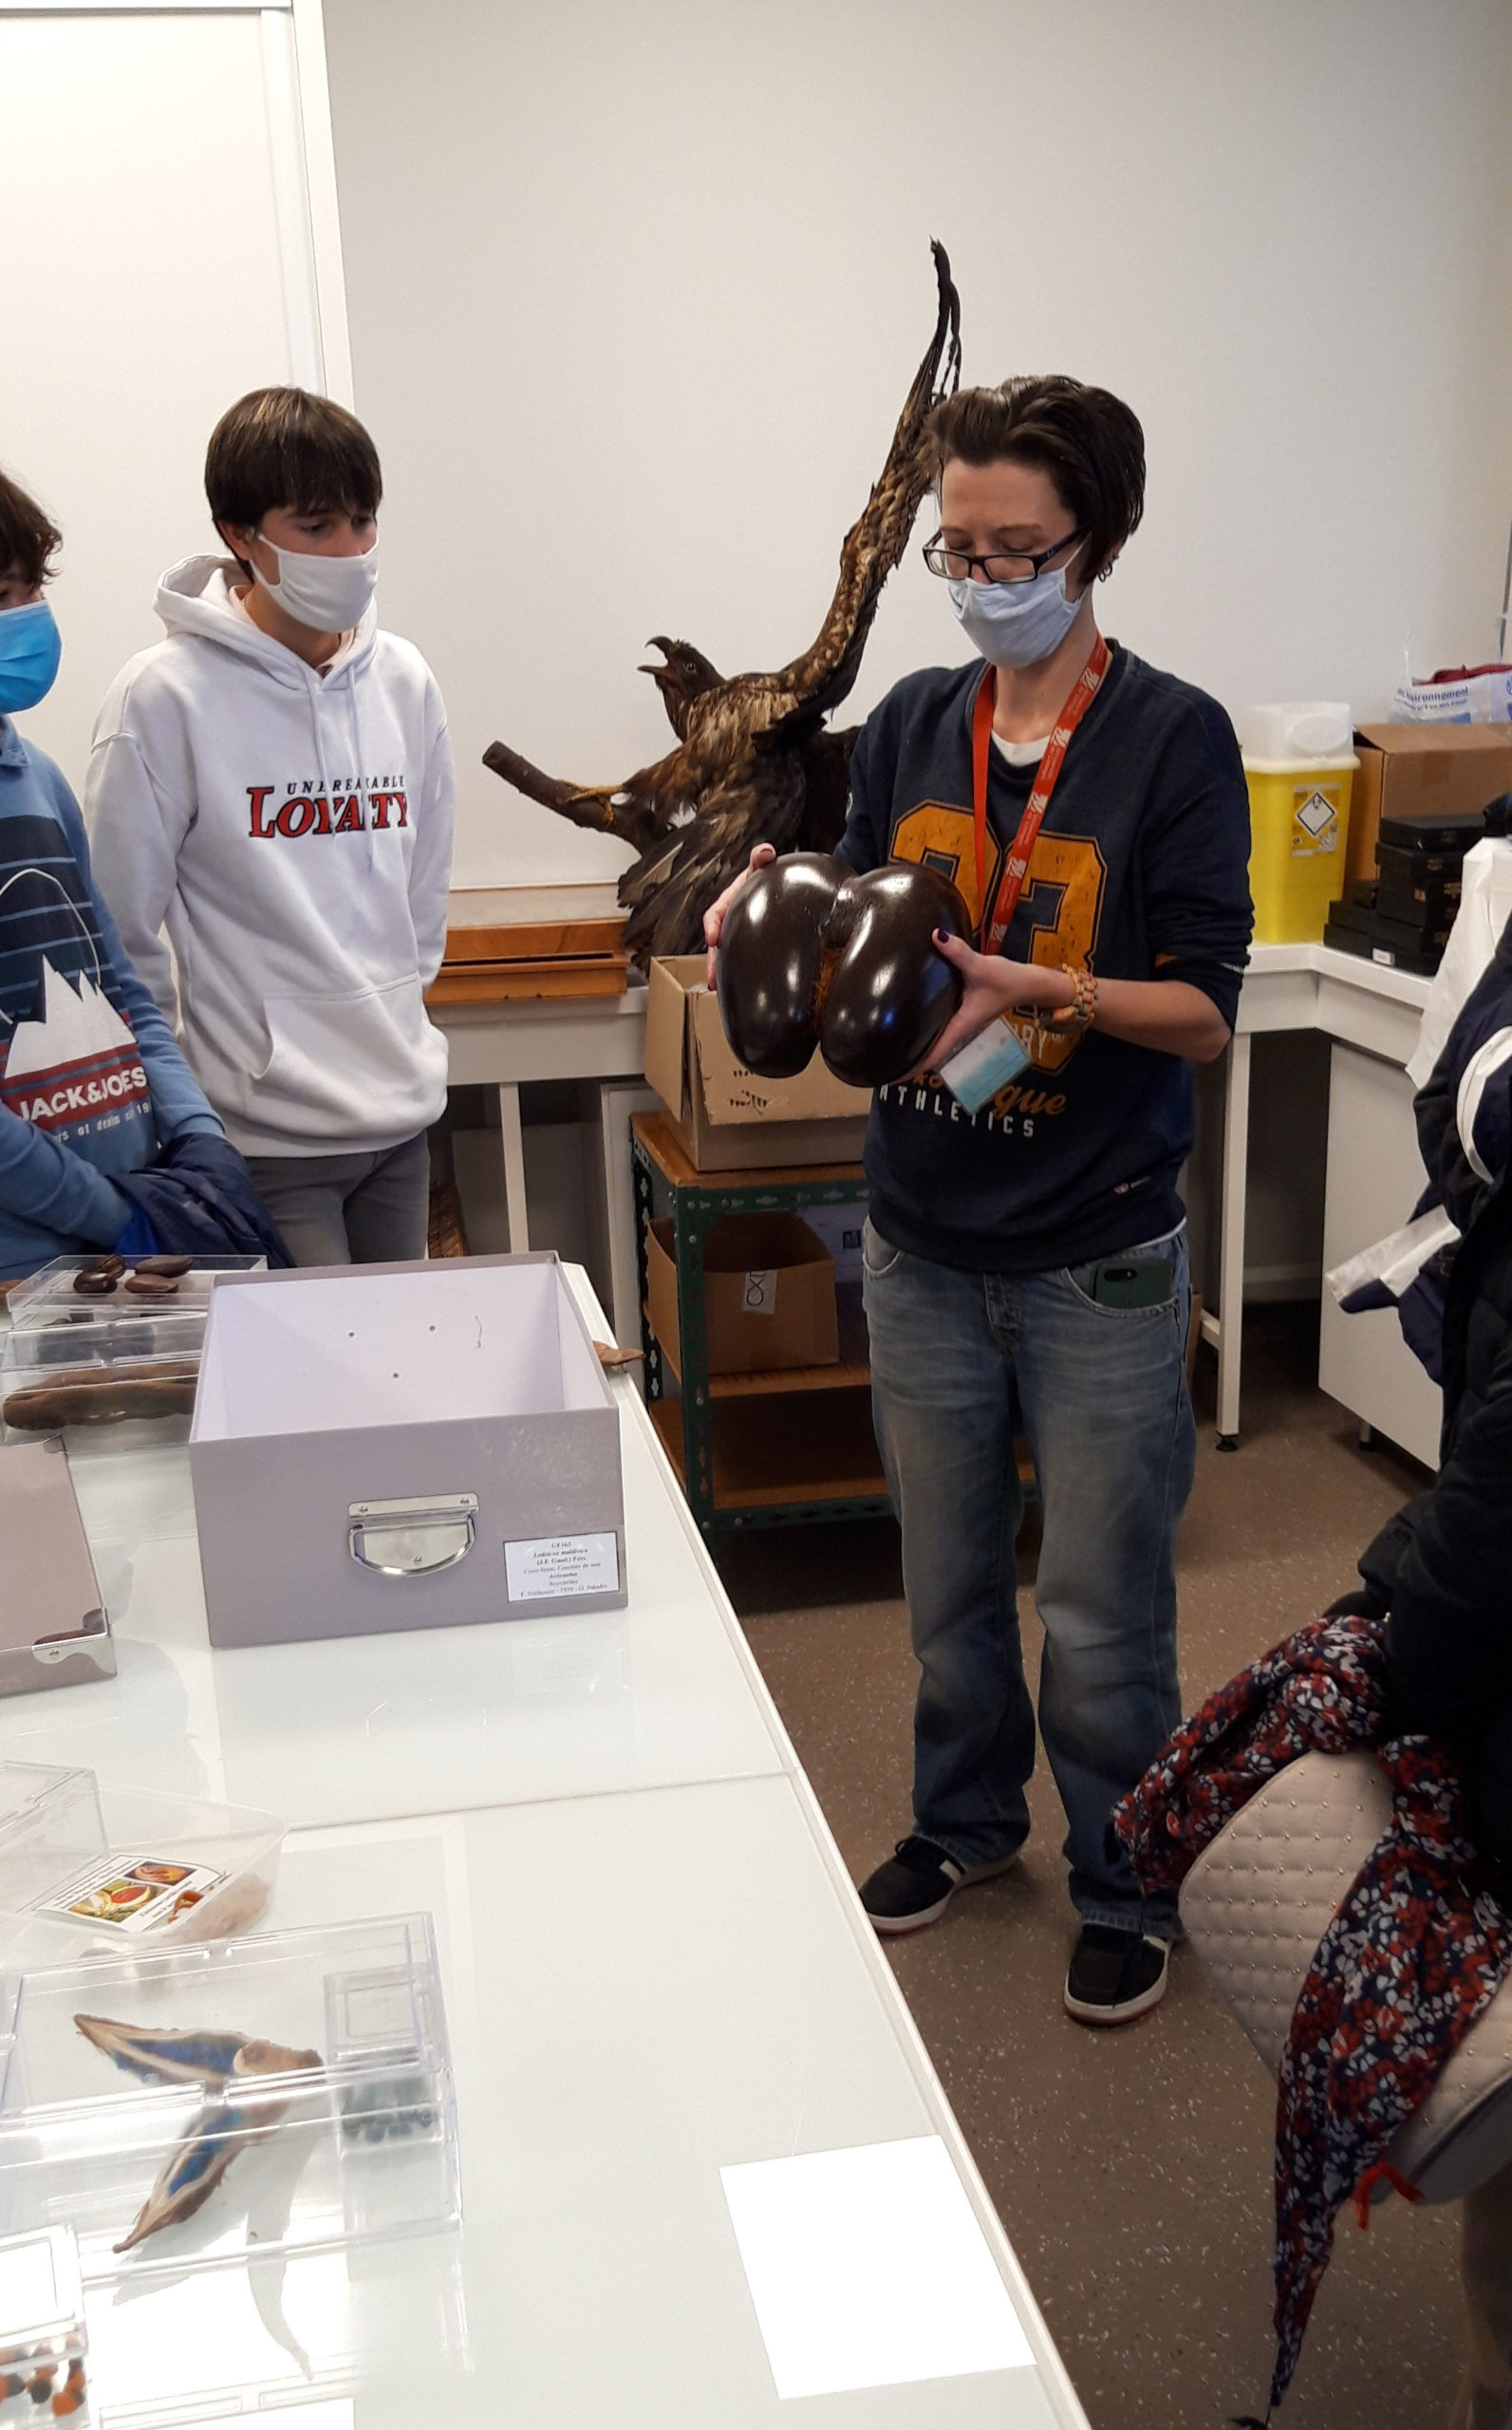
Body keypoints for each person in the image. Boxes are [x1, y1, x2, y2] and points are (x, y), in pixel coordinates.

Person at [707, 377, 1252, 2023]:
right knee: (945, 1586)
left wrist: (1044, 987)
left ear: (1099, 544)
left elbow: (1204, 1011)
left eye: (1021, 549)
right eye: (960, 548)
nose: (986, 577)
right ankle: (962, 1826)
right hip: (923, 1240)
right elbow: (871, 926)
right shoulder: (910, 723)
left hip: (1097, 1253)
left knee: (1099, 1607)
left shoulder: (1172, 738)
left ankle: (1125, 1875)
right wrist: (768, 909)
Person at [85, 387, 456, 1266]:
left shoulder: (403, 681)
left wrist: (389, 1018)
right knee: (318, 1357)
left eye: (363, 521)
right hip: (262, 1141)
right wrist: (182, 1117)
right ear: (240, 535)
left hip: (399, 1119)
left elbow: (422, 897)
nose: (351, 550)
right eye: (317, 526)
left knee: (402, 1345)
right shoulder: (162, 698)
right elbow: (118, 933)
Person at [0, 467, 264, 1278]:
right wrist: (112, 1213)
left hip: (121, 1236)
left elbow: (120, 988)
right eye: (3, 595)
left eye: (29, 590)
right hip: (28, 1260)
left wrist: (197, 1137)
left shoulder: (38, 779)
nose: (27, 616)